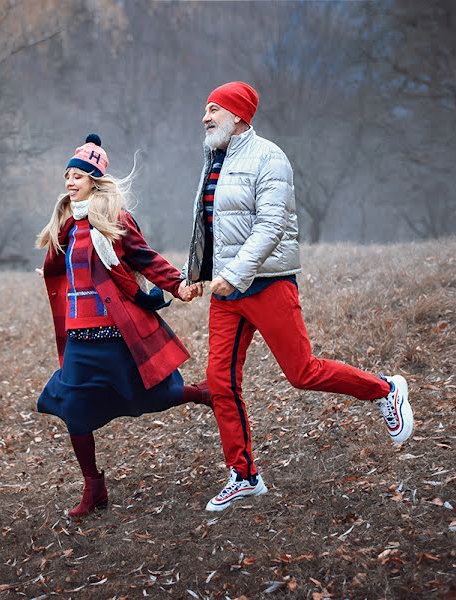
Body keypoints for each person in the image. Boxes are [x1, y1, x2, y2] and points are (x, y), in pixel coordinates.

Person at [178, 82, 415, 512]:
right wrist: (194, 275)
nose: (205, 117)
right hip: (226, 292)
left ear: (238, 115)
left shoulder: (269, 157)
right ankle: (244, 474)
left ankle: (384, 390)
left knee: (302, 372)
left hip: (268, 283)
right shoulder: (213, 159)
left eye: (213, 109)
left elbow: (270, 227)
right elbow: (207, 225)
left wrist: (233, 274)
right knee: (220, 382)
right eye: (204, 109)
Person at [36, 134, 208, 518]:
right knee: (73, 408)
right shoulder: (64, 224)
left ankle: (201, 394)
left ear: (95, 179)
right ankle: (93, 487)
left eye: (78, 174)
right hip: (80, 336)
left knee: (154, 395)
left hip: (116, 334)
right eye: (67, 174)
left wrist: (178, 285)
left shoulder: (114, 219)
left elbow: (145, 259)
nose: (70, 181)